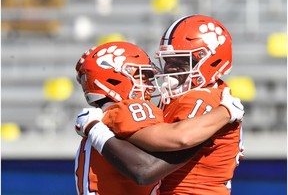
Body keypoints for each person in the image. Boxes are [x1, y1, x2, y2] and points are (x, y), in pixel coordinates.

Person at [75, 15, 244, 195]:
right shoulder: (125, 109)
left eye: (180, 62)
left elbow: (179, 140)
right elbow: (148, 167)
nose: (169, 70)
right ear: (115, 80)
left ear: (210, 59)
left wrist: (95, 129)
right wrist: (225, 112)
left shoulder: (199, 98)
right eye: (169, 61)